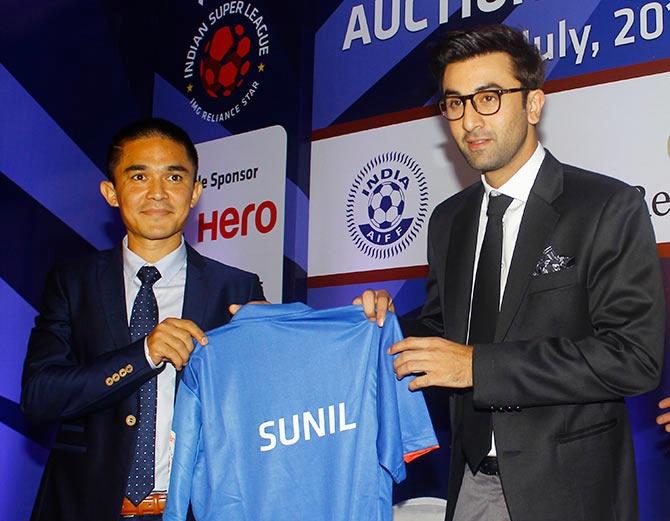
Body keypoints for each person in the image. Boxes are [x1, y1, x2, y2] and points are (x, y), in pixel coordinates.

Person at [355, 24, 664, 521]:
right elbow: (443, 329)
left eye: (489, 98)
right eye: (454, 103)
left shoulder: (606, 206)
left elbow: (632, 357)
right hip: (470, 481)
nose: (469, 121)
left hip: (570, 490)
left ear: (534, 104)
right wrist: (383, 326)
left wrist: (478, 367)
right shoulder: (448, 219)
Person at [21, 118, 265, 521]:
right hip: (84, 506)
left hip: (192, 509)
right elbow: (40, 397)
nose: (157, 193)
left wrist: (364, 323)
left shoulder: (237, 289)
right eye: (138, 176)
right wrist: (144, 355)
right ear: (111, 192)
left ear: (195, 192)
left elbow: (267, 400)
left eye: (174, 176)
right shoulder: (72, 283)